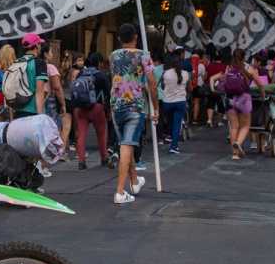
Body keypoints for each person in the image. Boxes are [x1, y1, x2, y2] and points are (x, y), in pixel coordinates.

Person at [109, 24, 158, 204]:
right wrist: (156, 107)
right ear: (136, 37)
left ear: (119, 39)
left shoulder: (113, 56)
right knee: (127, 145)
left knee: (125, 144)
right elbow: (152, 83)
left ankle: (135, 181)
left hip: (116, 103)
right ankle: (120, 192)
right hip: (134, 105)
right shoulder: (144, 56)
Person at [210, 48, 266, 160]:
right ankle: (238, 143)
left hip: (230, 99)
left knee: (234, 126)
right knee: (245, 125)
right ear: (244, 57)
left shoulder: (228, 68)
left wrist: (213, 89)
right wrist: (263, 95)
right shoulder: (249, 68)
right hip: (244, 99)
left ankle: (235, 154)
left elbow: (219, 79)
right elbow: (260, 84)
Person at [72, 52, 112, 170]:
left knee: (81, 134)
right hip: (97, 107)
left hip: (81, 108)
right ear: (98, 63)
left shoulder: (81, 73)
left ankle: (81, 161)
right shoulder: (101, 75)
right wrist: (108, 110)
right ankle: (104, 157)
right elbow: (108, 93)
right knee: (101, 133)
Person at [9, 33, 48, 119]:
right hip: (32, 112)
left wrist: (12, 118)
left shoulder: (15, 63)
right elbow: (39, 92)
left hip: (17, 112)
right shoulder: (39, 63)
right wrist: (40, 117)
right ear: (36, 46)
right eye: (39, 44)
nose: (40, 46)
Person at [42, 47, 69, 157]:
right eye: (51, 51)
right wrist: (63, 104)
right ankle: (56, 152)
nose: (52, 54)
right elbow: (57, 87)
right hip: (49, 100)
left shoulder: (35, 66)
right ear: (45, 54)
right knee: (54, 126)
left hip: (37, 99)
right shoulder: (50, 67)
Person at [160, 52, 189, 154]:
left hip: (167, 102)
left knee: (170, 122)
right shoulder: (185, 73)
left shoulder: (166, 73)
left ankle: (169, 136)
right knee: (177, 124)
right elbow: (188, 87)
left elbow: (162, 86)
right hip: (180, 101)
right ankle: (174, 146)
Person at [203, 48, 227, 128]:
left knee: (211, 103)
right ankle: (219, 122)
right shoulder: (224, 66)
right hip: (220, 89)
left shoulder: (210, 66)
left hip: (210, 87)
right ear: (221, 59)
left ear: (214, 59)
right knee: (221, 104)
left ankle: (209, 120)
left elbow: (205, 77)